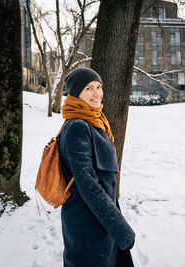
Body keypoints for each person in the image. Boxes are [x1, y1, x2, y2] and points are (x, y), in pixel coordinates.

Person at [58, 68, 135, 267]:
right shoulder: (78, 127)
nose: (97, 93)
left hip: (100, 221)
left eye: (99, 87)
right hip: (87, 225)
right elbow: (88, 185)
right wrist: (120, 228)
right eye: (88, 88)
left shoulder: (93, 121)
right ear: (76, 94)